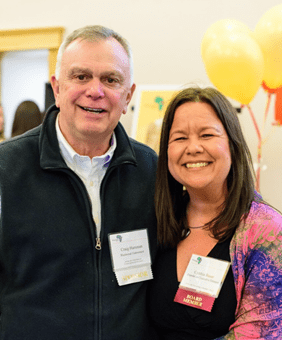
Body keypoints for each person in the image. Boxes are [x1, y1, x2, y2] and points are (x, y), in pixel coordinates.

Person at [0, 25, 158, 340]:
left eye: (111, 79)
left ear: (128, 95)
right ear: (57, 88)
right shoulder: (6, 168)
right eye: (81, 76)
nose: (95, 91)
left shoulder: (151, 170)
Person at [148, 87, 282, 339]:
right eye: (179, 138)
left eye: (207, 134)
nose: (194, 147)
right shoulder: (159, 218)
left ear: (232, 144)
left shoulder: (268, 232)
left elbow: (260, 334)